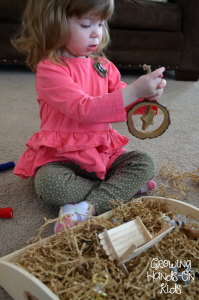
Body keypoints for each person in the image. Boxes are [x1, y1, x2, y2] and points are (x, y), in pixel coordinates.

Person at [12, 0, 166, 234]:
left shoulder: (102, 65)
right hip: (62, 157)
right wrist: (134, 91)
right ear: (55, 24)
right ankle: (117, 190)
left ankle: (86, 207)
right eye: (86, 24)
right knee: (49, 186)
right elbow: (84, 109)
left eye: (101, 23)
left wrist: (146, 97)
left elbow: (121, 101)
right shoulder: (50, 69)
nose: (97, 32)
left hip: (101, 153)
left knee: (145, 163)